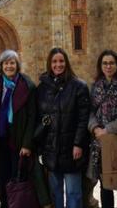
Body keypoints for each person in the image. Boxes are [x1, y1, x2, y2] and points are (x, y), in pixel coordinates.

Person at [0, 50, 51, 208]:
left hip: (19, 144)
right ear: (1, 66)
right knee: (3, 179)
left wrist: (27, 144)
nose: (9, 66)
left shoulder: (27, 86)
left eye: (12, 63)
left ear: (17, 65)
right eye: (6, 63)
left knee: (20, 182)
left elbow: (32, 117)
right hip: (1, 142)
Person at [35, 47, 90, 208]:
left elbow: (83, 118)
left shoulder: (79, 86)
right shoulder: (42, 88)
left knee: (73, 193)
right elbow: (39, 118)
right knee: (55, 192)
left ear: (66, 63)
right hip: (51, 148)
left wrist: (78, 144)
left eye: (61, 61)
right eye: (54, 61)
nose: (58, 65)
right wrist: (41, 147)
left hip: (71, 148)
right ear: (49, 64)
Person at [87, 50, 117, 208]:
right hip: (100, 144)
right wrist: (95, 128)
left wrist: (107, 130)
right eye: (105, 63)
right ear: (100, 66)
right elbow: (89, 112)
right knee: (105, 184)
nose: (108, 66)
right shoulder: (95, 88)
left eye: (111, 63)